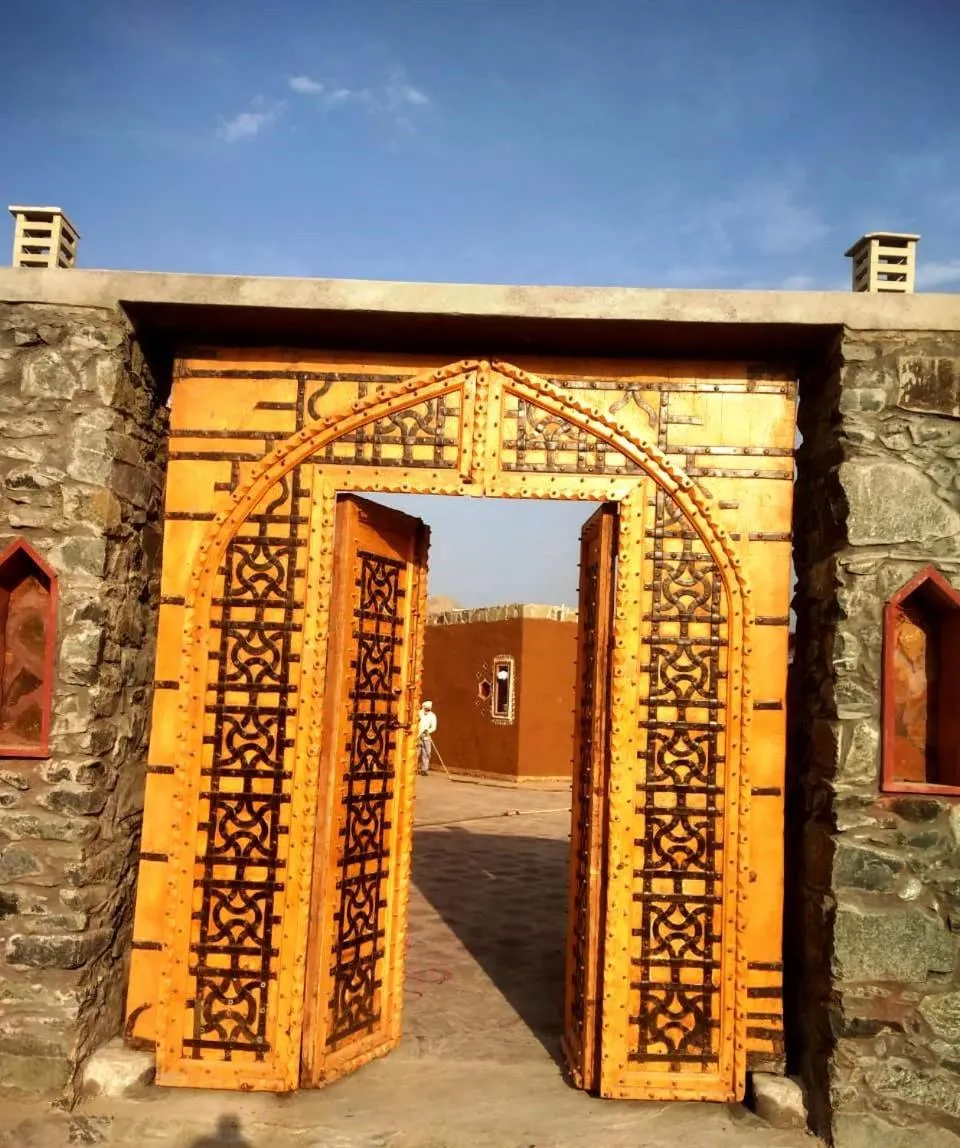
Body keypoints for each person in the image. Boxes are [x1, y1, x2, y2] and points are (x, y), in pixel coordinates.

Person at [417, 700, 437, 776]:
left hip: (426, 737)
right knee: (416, 753)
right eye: (426, 708)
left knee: (427, 753)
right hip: (418, 736)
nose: (427, 710)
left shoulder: (432, 716)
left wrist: (427, 731)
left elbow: (433, 727)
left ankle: (424, 770)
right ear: (423, 707)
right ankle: (413, 769)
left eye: (428, 709)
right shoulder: (418, 713)